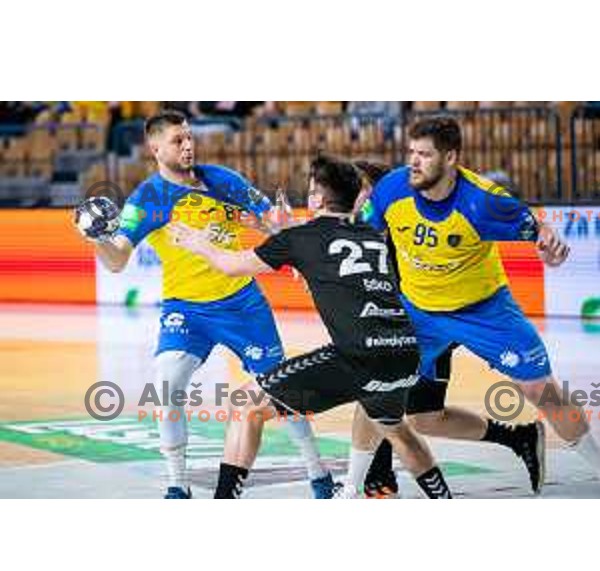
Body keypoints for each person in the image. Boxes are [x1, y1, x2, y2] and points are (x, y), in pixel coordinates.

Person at [76, 109, 334, 499]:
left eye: (189, 137)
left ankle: (318, 473)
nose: (188, 145)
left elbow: (272, 222)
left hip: (242, 304)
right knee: (166, 386)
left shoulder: (222, 180)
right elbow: (117, 260)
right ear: (155, 147)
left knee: (283, 391)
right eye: (178, 140)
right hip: (186, 309)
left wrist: (278, 223)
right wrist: (97, 238)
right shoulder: (147, 199)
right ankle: (177, 485)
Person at [171, 154, 453, 499]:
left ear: (317, 199)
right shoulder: (372, 235)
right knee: (395, 427)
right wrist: (279, 232)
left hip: (357, 358)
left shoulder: (302, 239)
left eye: (311, 188)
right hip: (405, 353)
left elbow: (231, 265)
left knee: (246, 404)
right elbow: (322, 258)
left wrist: (199, 243)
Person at [359, 116, 600, 494]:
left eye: (424, 154)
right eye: (411, 153)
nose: (414, 163)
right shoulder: (393, 188)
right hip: (420, 314)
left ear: (451, 157)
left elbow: (537, 230)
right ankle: (355, 486)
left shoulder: (482, 201)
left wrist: (549, 244)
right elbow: (359, 228)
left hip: (483, 311)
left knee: (542, 391)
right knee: (410, 409)